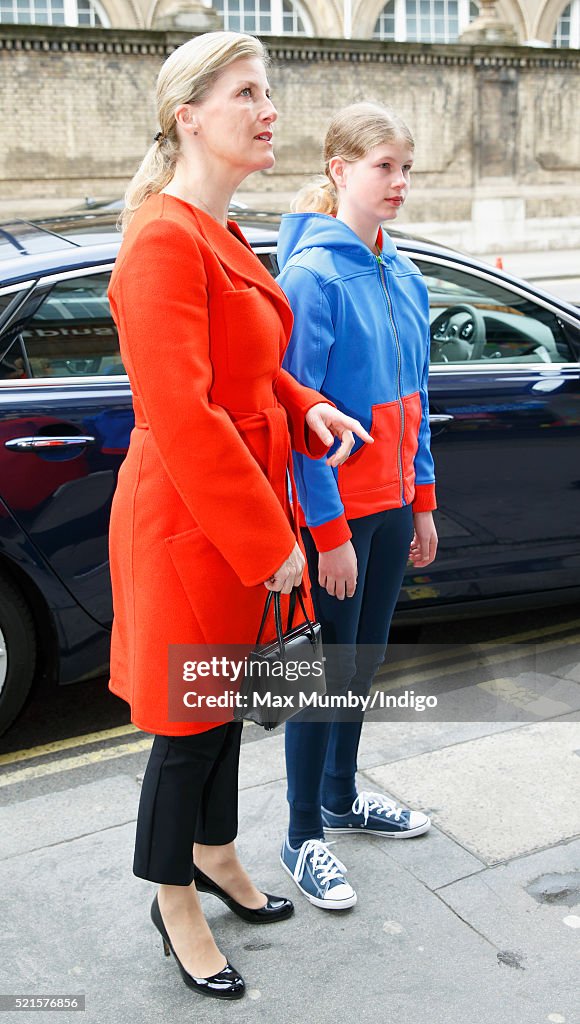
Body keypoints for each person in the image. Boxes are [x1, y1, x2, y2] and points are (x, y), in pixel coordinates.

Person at [107, 35, 371, 1000]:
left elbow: (250, 374)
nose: (270, 110)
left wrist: (308, 409)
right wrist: (272, 547)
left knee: (224, 706)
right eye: (249, 93)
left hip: (236, 508)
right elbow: (183, 414)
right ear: (191, 116)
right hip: (195, 521)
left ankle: (217, 855)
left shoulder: (218, 231)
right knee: (189, 722)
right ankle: (172, 898)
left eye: (269, 91)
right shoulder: (163, 238)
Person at [277, 103, 439, 910]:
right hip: (335, 518)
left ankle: (341, 800)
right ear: (340, 170)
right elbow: (294, 418)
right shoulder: (310, 277)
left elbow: (416, 398)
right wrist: (328, 533)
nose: (400, 181)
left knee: (361, 668)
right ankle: (302, 832)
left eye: (407, 166)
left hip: (391, 506)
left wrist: (423, 501)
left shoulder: (403, 272)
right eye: (384, 166)